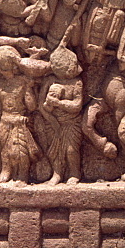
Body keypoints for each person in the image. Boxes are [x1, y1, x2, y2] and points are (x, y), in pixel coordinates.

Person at [0, 45, 40, 184]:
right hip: (4, 118)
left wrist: (29, 89)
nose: (2, 70)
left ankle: (22, 174)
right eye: (1, 66)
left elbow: (32, 106)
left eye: (5, 66)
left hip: (19, 119)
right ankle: (6, 170)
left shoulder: (23, 81)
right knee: (4, 148)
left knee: (20, 150)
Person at [40, 48, 84, 184]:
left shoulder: (77, 83)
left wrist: (59, 103)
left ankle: (75, 173)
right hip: (53, 122)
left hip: (71, 122)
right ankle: (57, 173)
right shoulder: (50, 81)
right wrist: (49, 109)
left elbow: (77, 105)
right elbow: (40, 104)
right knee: (55, 151)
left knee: (71, 150)